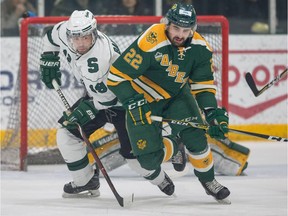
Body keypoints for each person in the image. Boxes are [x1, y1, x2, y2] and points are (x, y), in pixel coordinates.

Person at [39, 9, 185, 198]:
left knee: (136, 160)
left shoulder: (100, 58)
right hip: (98, 97)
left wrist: (91, 108)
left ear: (94, 33)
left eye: (85, 37)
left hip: (124, 102)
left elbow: (109, 99)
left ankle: (169, 153)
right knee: (67, 133)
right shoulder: (65, 32)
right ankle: (85, 181)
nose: (80, 43)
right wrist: (48, 59)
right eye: (76, 38)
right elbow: (50, 36)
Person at [107, 3, 231, 203]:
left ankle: (209, 182)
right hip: (143, 99)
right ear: (167, 24)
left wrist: (211, 113)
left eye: (185, 30)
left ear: (193, 29)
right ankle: (175, 143)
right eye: (176, 28)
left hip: (177, 96)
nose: (180, 34)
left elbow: (203, 86)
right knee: (148, 161)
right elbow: (115, 77)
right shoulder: (151, 39)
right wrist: (133, 102)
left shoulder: (200, 48)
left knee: (197, 138)